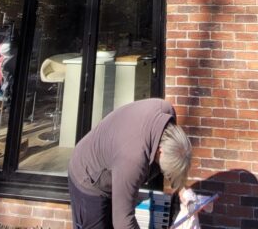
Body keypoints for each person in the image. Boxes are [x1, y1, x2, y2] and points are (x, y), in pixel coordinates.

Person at [68, 98, 192, 229]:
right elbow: (123, 222)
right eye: (164, 169)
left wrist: (182, 188)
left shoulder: (167, 114)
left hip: (117, 164)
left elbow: (175, 156)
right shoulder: (133, 159)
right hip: (88, 176)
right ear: (160, 152)